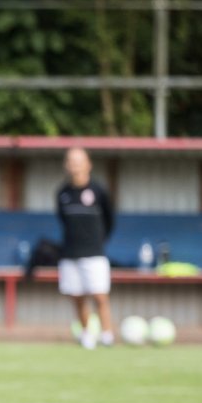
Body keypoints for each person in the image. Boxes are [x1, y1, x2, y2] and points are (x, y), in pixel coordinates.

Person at [56, 147, 115, 349]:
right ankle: (87, 335)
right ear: (66, 165)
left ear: (88, 164)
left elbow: (110, 220)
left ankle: (107, 335)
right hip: (70, 252)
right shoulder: (62, 193)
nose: (75, 165)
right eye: (71, 161)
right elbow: (62, 220)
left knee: (99, 295)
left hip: (95, 252)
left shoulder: (98, 191)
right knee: (77, 296)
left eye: (79, 161)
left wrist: (98, 240)